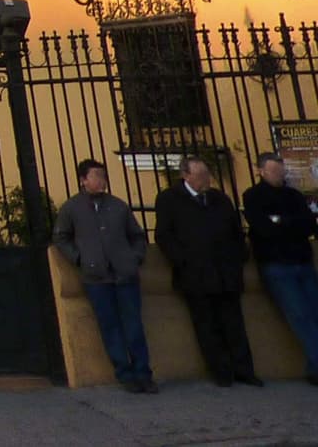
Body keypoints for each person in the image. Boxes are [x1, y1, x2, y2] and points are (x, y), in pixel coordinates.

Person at [156, 155, 262, 387]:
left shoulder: (219, 199)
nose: (206, 179)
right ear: (185, 175)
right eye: (200, 175)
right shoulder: (169, 199)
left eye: (207, 174)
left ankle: (245, 370)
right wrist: (183, 261)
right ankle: (222, 372)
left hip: (226, 272)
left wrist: (239, 257)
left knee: (234, 323)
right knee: (207, 326)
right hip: (195, 274)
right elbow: (164, 236)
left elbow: (235, 231)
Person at [53, 158, 156, 392]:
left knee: (133, 326)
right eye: (96, 176)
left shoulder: (118, 206)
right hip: (96, 277)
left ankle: (143, 373)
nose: (101, 180)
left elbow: (137, 236)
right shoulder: (72, 208)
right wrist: (79, 259)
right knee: (110, 326)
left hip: (125, 274)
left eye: (103, 176)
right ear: (83, 180)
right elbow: (60, 237)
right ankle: (125, 374)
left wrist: (134, 257)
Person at [243, 153, 318, 384]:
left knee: (314, 313)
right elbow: (263, 229)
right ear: (261, 171)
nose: (279, 175)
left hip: (302, 262)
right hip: (276, 265)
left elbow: (308, 225)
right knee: (300, 316)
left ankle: (314, 366)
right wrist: (289, 224)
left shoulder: (293, 195)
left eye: (281, 171)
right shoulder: (253, 196)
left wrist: (281, 221)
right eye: (274, 171)